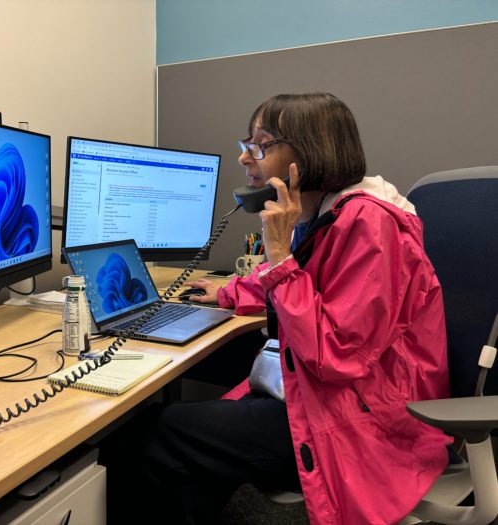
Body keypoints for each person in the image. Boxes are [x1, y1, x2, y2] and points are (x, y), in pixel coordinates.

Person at [108, 92, 451, 525]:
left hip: (360, 420)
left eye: (261, 145)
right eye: (247, 144)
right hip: (325, 398)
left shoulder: (370, 225)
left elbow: (335, 355)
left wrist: (278, 255)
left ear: (308, 153)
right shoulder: (325, 214)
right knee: (191, 445)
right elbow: (312, 279)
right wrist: (231, 291)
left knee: (158, 432)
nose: (245, 159)